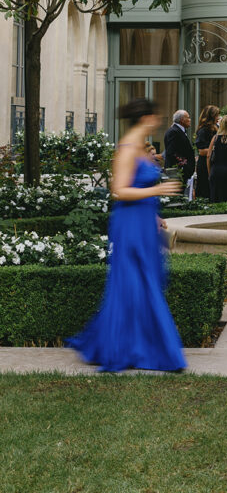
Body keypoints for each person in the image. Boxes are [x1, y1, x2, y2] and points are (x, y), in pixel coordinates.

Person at [67, 98, 185, 372]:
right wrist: (156, 192)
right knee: (134, 281)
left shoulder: (142, 148)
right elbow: (119, 190)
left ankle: (138, 344)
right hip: (129, 225)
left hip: (142, 221)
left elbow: (136, 186)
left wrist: (153, 214)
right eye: (155, 117)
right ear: (145, 118)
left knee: (147, 280)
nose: (158, 121)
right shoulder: (127, 149)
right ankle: (133, 348)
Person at [163, 110, 195, 187]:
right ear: (182, 120)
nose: (190, 120)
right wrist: (184, 166)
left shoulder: (178, 131)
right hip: (177, 172)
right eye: (188, 118)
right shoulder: (174, 132)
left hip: (181, 172)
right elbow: (171, 152)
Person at [195, 105, 219, 200]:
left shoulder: (216, 128)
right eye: (217, 115)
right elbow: (201, 151)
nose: (218, 118)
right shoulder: (203, 130)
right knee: (205, 188)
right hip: (205, 164)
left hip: (213, 163)